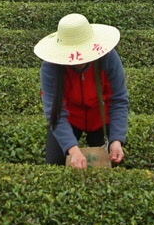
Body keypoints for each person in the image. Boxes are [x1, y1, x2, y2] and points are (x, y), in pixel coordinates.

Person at [34, 14, 128, 168]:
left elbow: (118, 100)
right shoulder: (50, 67)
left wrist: (116, 139)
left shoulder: (108, 58)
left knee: (111, 164)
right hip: (69, 118)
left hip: (100, 117)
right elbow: (54, 111)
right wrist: (72, 149)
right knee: (54, 163)